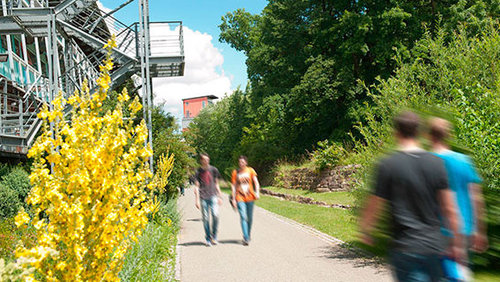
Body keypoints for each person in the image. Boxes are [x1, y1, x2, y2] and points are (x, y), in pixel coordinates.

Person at [359, 111, 460, 282]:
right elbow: (449, 208)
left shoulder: (388, 165)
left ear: (396, 133)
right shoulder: (437, 164)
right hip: (433, 247)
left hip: (405, 247)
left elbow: (374, 205)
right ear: (419, 133)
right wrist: (456, 243)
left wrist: (366, 230)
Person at [429, 117, 488, 281]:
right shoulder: (464, 161)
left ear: (429, 136)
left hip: (435, 228)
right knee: (458, 270)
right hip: (463, 228)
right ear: (448, 136)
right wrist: (479, 230)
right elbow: (476, 198)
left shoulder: (427, 162)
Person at [194, 153, 223, 246]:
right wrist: (197, 200)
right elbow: (196, 187)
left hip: (213, 195)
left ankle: (214, 236)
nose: (206, 161)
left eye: (207, 159)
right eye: (204, 159)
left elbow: (217, 183)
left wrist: (220, 196)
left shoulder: (214, 170)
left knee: (215, 215)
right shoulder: (198, 171)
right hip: (203, 197)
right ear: (201, 161)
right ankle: (208, 238)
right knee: (206, 218)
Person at [231, 155, 260, 246]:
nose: (241, 164)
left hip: (250, 197)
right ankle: (246, 237)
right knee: (243, 216)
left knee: (250, 218)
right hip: (240, 197)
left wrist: (257, 192)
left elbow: (256, 182)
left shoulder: (250, 170)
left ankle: (248, 233)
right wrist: (233, 199)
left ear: (246, 163)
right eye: (240, 162)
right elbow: (234, 186)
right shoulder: (236, 172)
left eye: (243, 162)